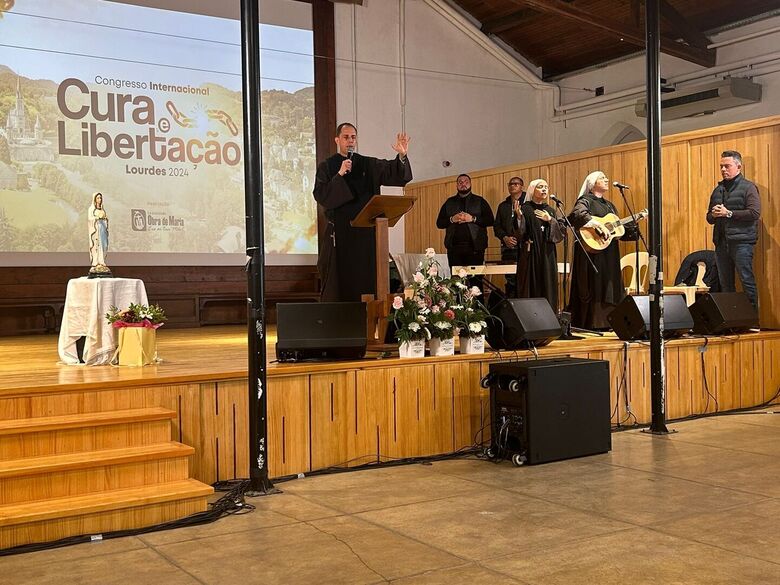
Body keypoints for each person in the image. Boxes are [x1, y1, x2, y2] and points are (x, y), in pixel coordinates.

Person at [313, 123, 412, 302]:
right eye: (346, 137)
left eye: (353, 137)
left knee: (367, 281)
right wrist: (340, 175)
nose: (350, 141)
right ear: (337, 140)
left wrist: (402, 155)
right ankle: (341, 320)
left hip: (366, 236)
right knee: (340, 286)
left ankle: (369, 317)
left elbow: (395, 173)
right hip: (342, 235)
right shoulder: (327, 166)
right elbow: (322, 196)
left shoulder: (368, 164)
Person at [567, 171, 638, 330]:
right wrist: (597, 225)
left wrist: (633, 226)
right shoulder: (584, 200)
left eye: (606, 178)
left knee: (609, 284)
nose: (607, 180)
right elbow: (577, 215)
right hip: (592, 252)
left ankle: (611, 321)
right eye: (602, 178)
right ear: (592, 184)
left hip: (609, 252)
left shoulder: (609, 205)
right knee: (595, 284)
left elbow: (617, 231)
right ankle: (593, 322)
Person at [705, 150, 760, 310]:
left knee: (746, 280)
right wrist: (714, 215)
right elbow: (709, 218)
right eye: (721, 166)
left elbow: (754, 213)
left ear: (738, 167)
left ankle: (752, 320)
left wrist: (728, 213)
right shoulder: (718, 190)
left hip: (742, 242)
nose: (723, 169)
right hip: (721, 243)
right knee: (725, 284)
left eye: (727, 166)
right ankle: (732, 320)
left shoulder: (748, 187)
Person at [515, 179, 563, 311]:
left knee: (548, 283)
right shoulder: (525, 208)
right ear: (532, 189)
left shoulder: (551, 210)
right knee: (530, 284)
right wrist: (519, 218)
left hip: (548, 253)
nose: (544, 189)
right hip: (531, 253)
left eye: (546, 187)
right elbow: (519, 233)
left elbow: (561, 232)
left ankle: (549, 316)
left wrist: (550, 220)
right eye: (540, 187)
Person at [435, 174, 494, 282]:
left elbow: (490, 220)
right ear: (456, 185)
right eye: (460, 182)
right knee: (456, 282)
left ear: (470, 184)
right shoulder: (449, 202)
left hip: (475, 248)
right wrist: (452, 219)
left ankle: (477, 300)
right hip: (454, 249)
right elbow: (439, 223)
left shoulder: (480, 201)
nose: (463, 184)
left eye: (466, 182)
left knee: (475, 281)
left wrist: (473, 218)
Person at [493, 176, 525, 297]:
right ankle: (511, 306)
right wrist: (505, 238)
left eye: (516, 184)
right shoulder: (503, 206)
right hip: (508, 248)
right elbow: (497, 227)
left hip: (524, 247)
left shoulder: (527, 203)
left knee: (525, 278)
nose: (512, 186)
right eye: (510, 184)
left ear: (522, 186)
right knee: (510, 280)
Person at [88, 192, 112, 277]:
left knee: (104, 245)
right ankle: (96, 262)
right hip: (96, 229)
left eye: (100, 198)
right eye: (98, 198)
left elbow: (105, 220)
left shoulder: (102, 209)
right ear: (94, 199)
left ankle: (102, 261)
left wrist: (105, 219)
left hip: (102, 229)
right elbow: (90, 219)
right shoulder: (92, 209)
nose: (99, 200)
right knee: (97, 246)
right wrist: (96, 218)